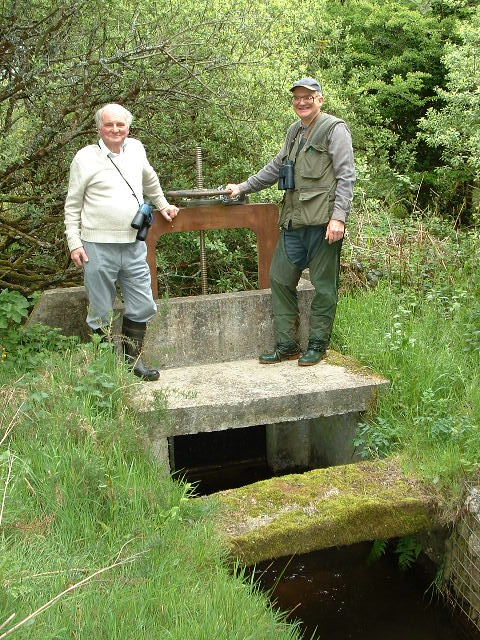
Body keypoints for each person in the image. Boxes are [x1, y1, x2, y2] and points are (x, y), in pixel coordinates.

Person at [226, 77, 355, 366]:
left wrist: (339, 218)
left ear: (320, 99)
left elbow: (347, 176)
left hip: (323, 225)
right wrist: (244, 187)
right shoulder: (294, 131)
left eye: (308, 96)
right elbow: (276, 167)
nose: (302, 102)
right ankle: (287, 346)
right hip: (294, 222)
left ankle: (318, 345)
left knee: (324, 288)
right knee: (280, 279)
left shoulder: (335, 129)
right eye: (297, 97)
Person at [64, 103, 179, 381]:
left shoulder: (137, 148)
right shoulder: (85, 157)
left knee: (143, 303)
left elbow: (149, 179)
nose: (115, 130)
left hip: (133, 244)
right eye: (109, 125)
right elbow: (72, 203)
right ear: (98, 128)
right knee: (101, 310)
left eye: (120, 124)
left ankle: (132, 364)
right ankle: (106, 371)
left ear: (128, 126)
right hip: (96, 245)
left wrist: (162, 205)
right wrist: (74, 242)